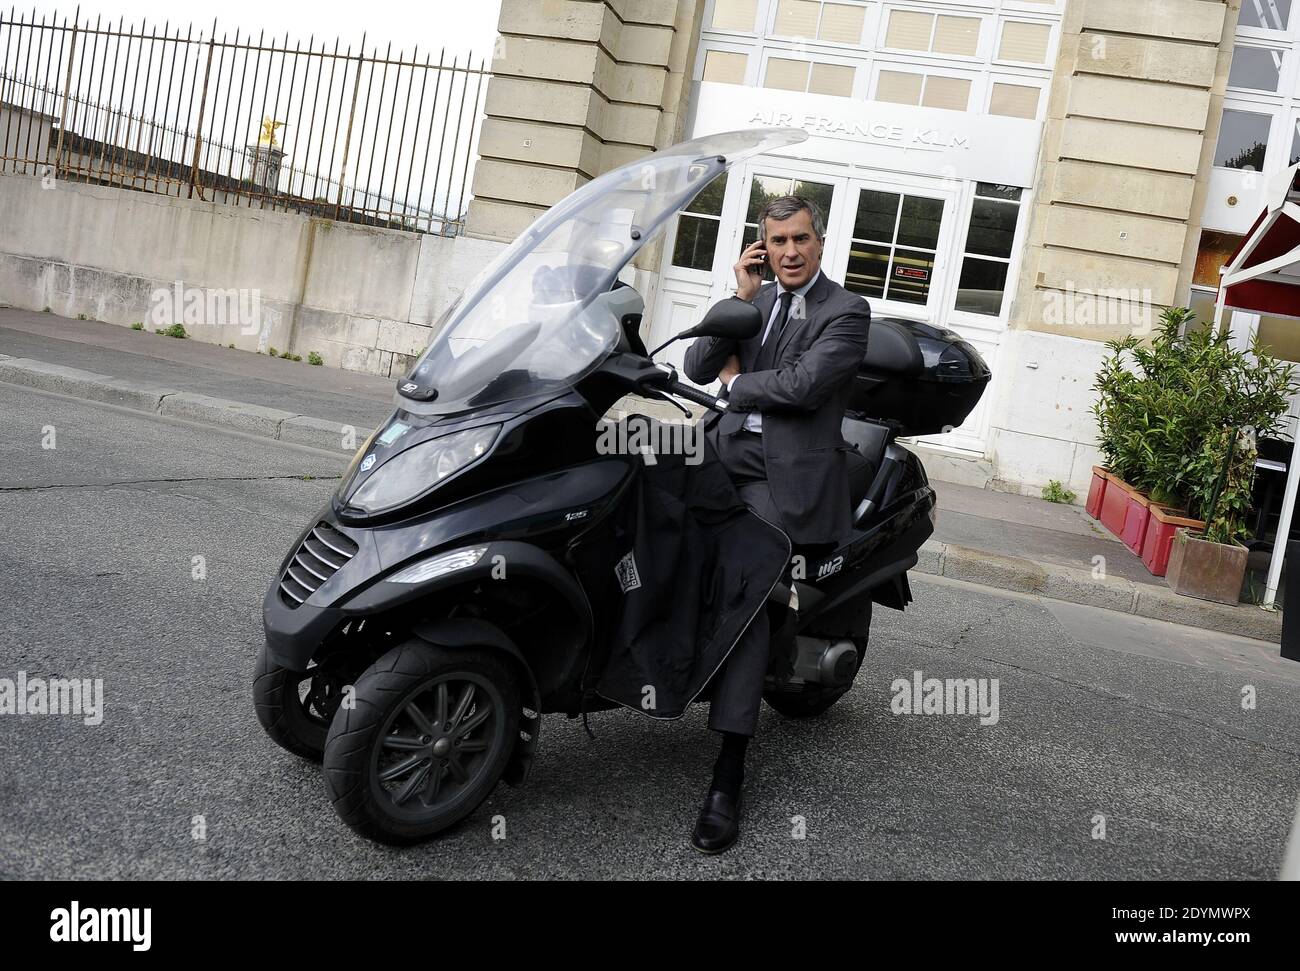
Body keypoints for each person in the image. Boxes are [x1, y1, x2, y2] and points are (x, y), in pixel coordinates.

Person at [681, 195, 871, 853]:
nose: (789, 251)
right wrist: (737, 294)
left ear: (820, 242)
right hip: (721, 453)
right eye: (777, 242)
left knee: (748, 596)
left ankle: (727, 774)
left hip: (782, 478)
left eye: (800, 239)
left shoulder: (846, 311)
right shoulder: (755, 300)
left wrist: (742, 383)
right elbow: (698, 368)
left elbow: (802, 386)